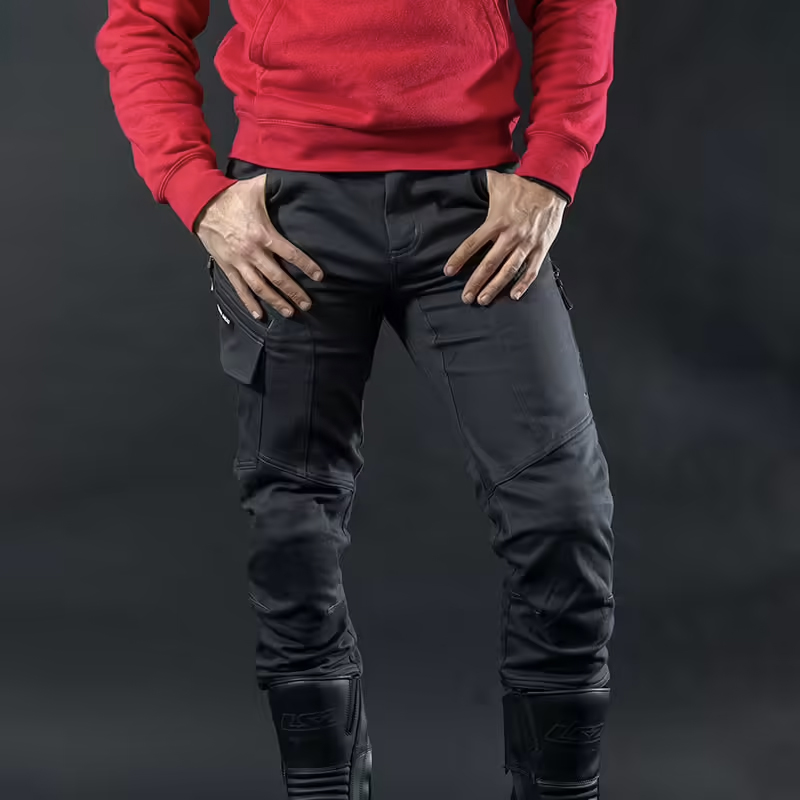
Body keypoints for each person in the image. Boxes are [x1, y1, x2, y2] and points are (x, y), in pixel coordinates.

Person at [95, 1, 617, 797]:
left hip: (472, 211)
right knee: (291, 528)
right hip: (291, 212)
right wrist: (193, 187)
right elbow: (143, 19)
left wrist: (552, 166)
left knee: (563, 510)